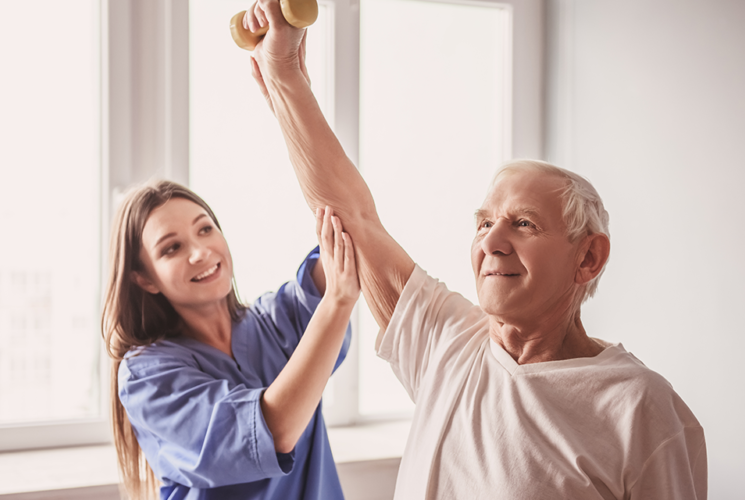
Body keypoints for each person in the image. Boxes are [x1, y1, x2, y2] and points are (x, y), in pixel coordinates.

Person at [239, 4, 708, 498]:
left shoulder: (642, 409)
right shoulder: (449, 341)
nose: (491, 242)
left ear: (588, 258)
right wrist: (285, 72)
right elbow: (349, 217)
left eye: (523, 224)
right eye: (484, 223)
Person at [101, 179, 359, 500]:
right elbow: (275, 432)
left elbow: (351, 228)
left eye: (205, 229)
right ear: (144, 278)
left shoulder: (276, 320)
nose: (200, 252)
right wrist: (337, 302)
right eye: (172, 248)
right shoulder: (147, 377)